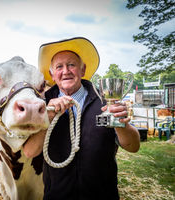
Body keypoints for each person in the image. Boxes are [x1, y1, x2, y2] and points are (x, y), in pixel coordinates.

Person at [23, 37, 140, 200]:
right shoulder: (42, 104)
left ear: (82, 70)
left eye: (71, 65)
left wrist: (121, 124)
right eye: (59, 67)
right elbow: (29, 152)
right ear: (52, 74)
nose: (66, 71)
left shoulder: (104, 100)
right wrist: (47, 117)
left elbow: (133, 146)